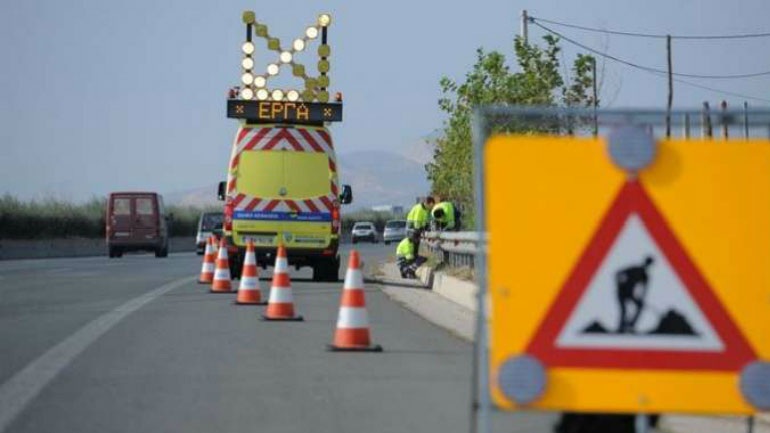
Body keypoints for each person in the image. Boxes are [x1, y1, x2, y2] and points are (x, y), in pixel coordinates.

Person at [616, 256, 655, 334]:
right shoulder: (634, 269)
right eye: (647, 263)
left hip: (630, 294)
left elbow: (644, 290)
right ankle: (621, 328)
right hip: (622, 293)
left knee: (640, 306)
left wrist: (641, 300)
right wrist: (621, 285)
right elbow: (618, 273)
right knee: (624, 310)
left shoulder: (645, 276)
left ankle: (631, 325)